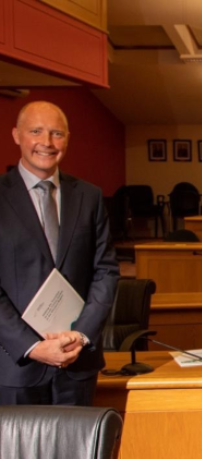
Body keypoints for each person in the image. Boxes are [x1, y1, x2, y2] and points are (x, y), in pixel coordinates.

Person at [0, 101, 119, 406]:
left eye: (56, 134)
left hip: (76, 363)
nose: (47, 143)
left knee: (76, 454)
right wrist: (32, 346)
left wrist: (80, 336)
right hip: (15, 367)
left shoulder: (89, 197)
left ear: (67, 139)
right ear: (16, 135)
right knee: (18, 456)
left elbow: (105, 271)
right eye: (36, 131)